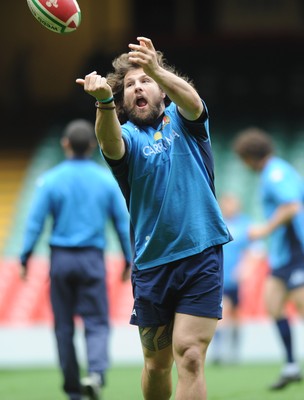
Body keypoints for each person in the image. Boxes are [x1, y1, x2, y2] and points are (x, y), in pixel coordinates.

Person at [76, 36, 232, 400]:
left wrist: (157, 69)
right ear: (124, 100)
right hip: (151, 267)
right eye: (129, 85)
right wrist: (103, 103)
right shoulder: (125, 136)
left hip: (201, 255)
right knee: (156, 364)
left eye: (144, 80)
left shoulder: (186, 121)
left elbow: (193, 103)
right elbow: (110, 144)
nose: (137, 87)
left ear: (161, 90)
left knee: (190, 357)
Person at [19, 119, 132, 400]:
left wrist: (25, 256)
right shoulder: (106, 180)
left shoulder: (51, 179)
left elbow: (35, 222)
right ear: (93, 146)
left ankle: (72, 389)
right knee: (96, 321)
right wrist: (129, 260)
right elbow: (121, 222)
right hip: (92, 259)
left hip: (61, 260)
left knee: (64, 326)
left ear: (65, 144)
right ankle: (95, 373)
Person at [233, 127, 304, 390]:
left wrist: (264, 229)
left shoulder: (275, 172)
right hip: (282, 256)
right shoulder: (272, 172)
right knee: (273, 304)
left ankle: (291, 365)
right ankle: (291, 366)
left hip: (296, 252)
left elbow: (292, 206)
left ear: (250, 156)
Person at [211, 193, 265, 364]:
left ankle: (234, 351)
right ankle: (218, 352)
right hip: (220, 278)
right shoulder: (217, 223)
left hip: (237, 281)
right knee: (223, 312)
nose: (229, 207)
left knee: (235, 316)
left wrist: (245, 269)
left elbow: (257, 250)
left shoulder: (245, 223)